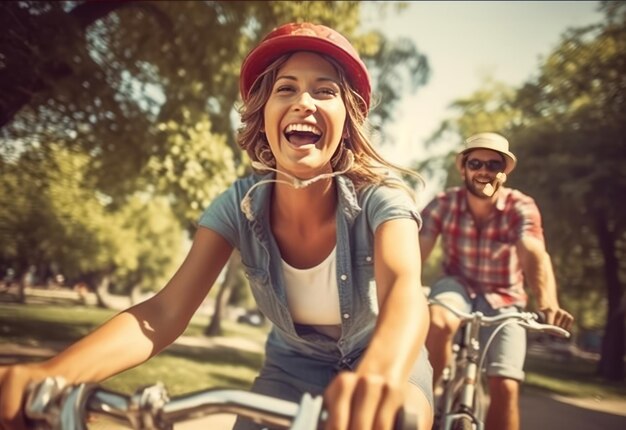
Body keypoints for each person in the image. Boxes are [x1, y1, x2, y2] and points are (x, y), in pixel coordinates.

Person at [0, 22, 433, 430]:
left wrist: (382, 372)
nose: (305, 102)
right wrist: (55, 374)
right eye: (287, 89)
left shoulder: (381, 195)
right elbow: (164, 312)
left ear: (348, 118)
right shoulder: (237, 206)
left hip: (383, 352)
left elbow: (403, 288)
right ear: (263, 113)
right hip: (292, 362)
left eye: (325, 91)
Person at [419, 132, 574, 430]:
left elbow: (533, 253)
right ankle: (424, 401)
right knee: (438, 322)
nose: (484, 171)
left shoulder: (521, 206)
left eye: (493, 164)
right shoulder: (444, 203)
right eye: (475, 163)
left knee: (506, 384)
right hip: (457, 286)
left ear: (503, 172)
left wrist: (548, 303)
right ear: (463, 168)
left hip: (505, 296)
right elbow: (416, 250)